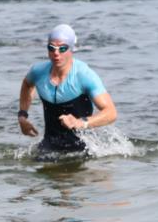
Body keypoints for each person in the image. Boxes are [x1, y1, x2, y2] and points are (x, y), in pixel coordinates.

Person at [18, 24, 117, 155]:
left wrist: (80, 122)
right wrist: (22, 117)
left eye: (62, 48)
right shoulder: (38, 72)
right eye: (51, 48)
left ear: (72, 49)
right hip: (49, 146)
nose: (56, 54)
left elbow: (111, 113)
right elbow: (27, 84)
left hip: (82, 149)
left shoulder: (84, 75)